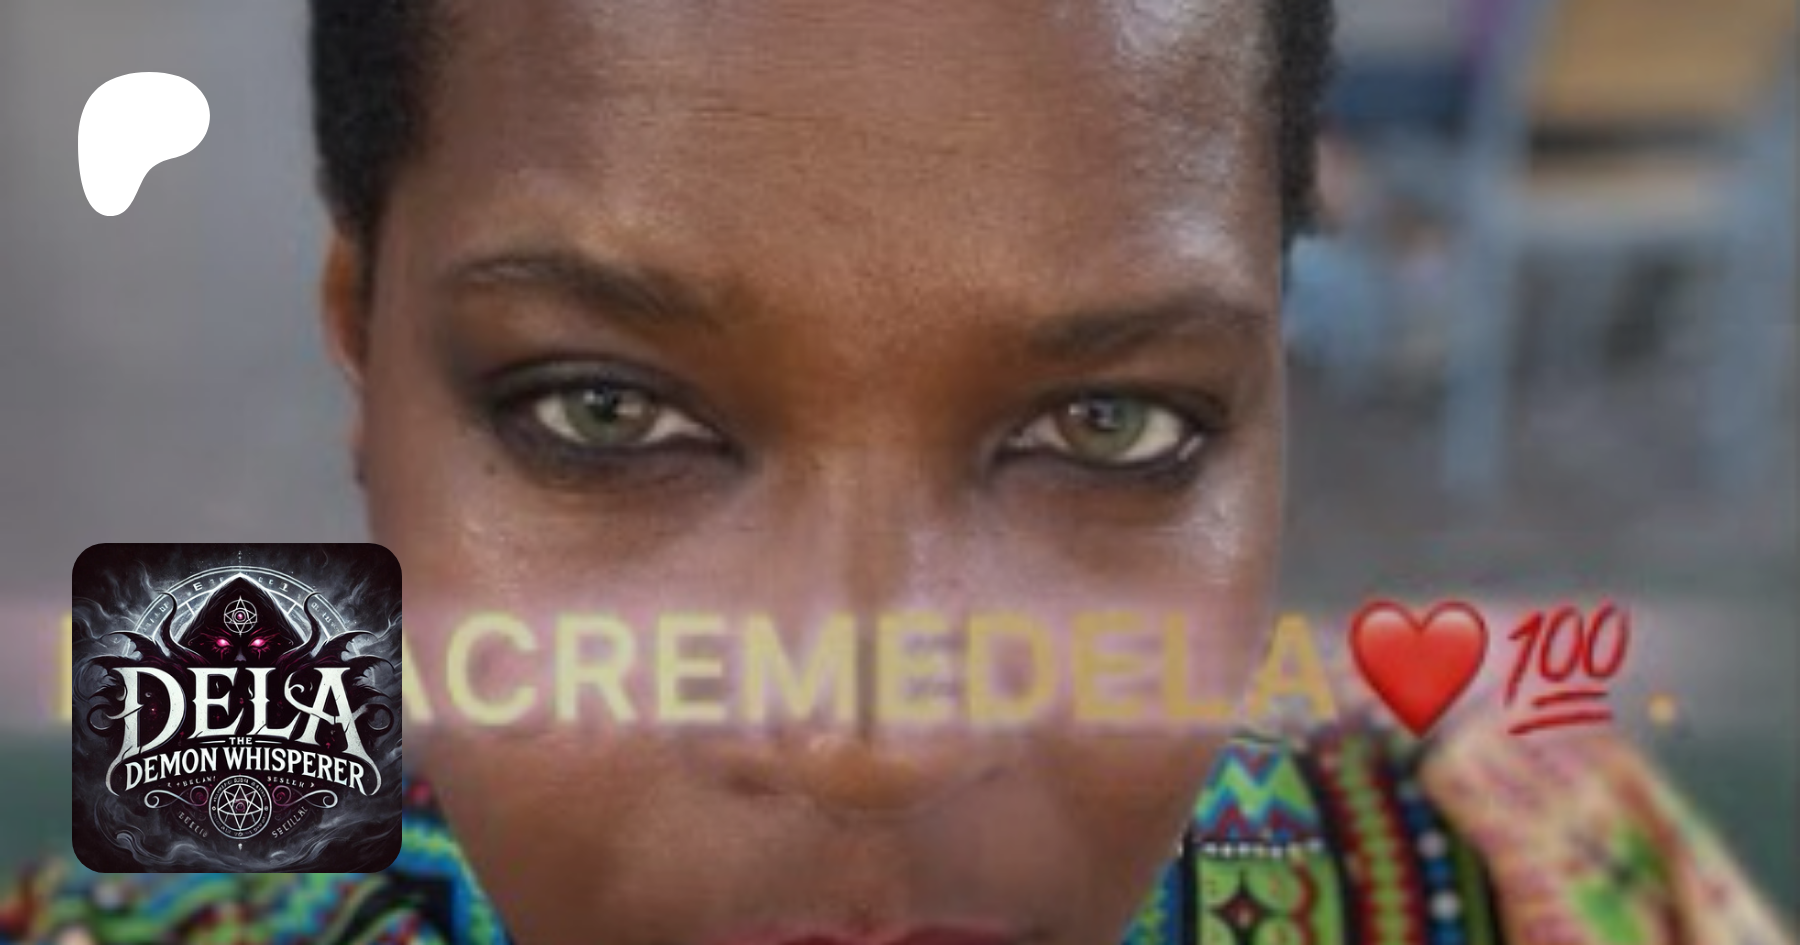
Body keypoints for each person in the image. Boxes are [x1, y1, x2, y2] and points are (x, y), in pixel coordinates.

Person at [3, 1, 1792, 943]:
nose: (870, 738)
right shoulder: (174, 865)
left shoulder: (1538, 882)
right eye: (602, 410)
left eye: (1112, 425)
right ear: (361, 344)